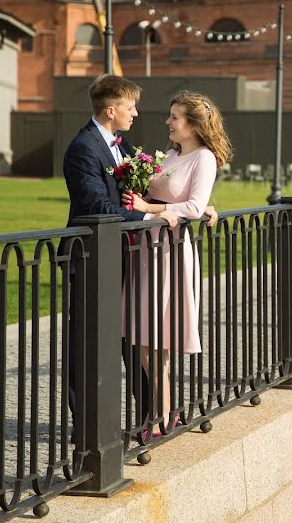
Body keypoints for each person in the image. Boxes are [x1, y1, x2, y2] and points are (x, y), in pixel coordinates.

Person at [62, 75, 217, 439]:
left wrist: (196, 207)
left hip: (135, 255)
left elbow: (150, 192)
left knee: (138, 337)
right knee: (85, 345)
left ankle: (157, 417)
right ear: (111, 110)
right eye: (131, 107)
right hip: (93, 257)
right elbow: (98, 206)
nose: (137, 113)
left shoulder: (122, 145)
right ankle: (89, 431)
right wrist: (153, 215)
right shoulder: (83, 147)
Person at [121, 89, 232, 436]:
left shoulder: (204, 158)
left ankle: (161, 417)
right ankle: (161, 413)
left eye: (175, 117)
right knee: (143, 340)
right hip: (146, 250)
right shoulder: (171, 155)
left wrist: (149, 209)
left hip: (170, 253)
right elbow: (181, 201)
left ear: (194, 124)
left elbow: (194, 207)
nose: (167, 122)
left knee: (157, 340)